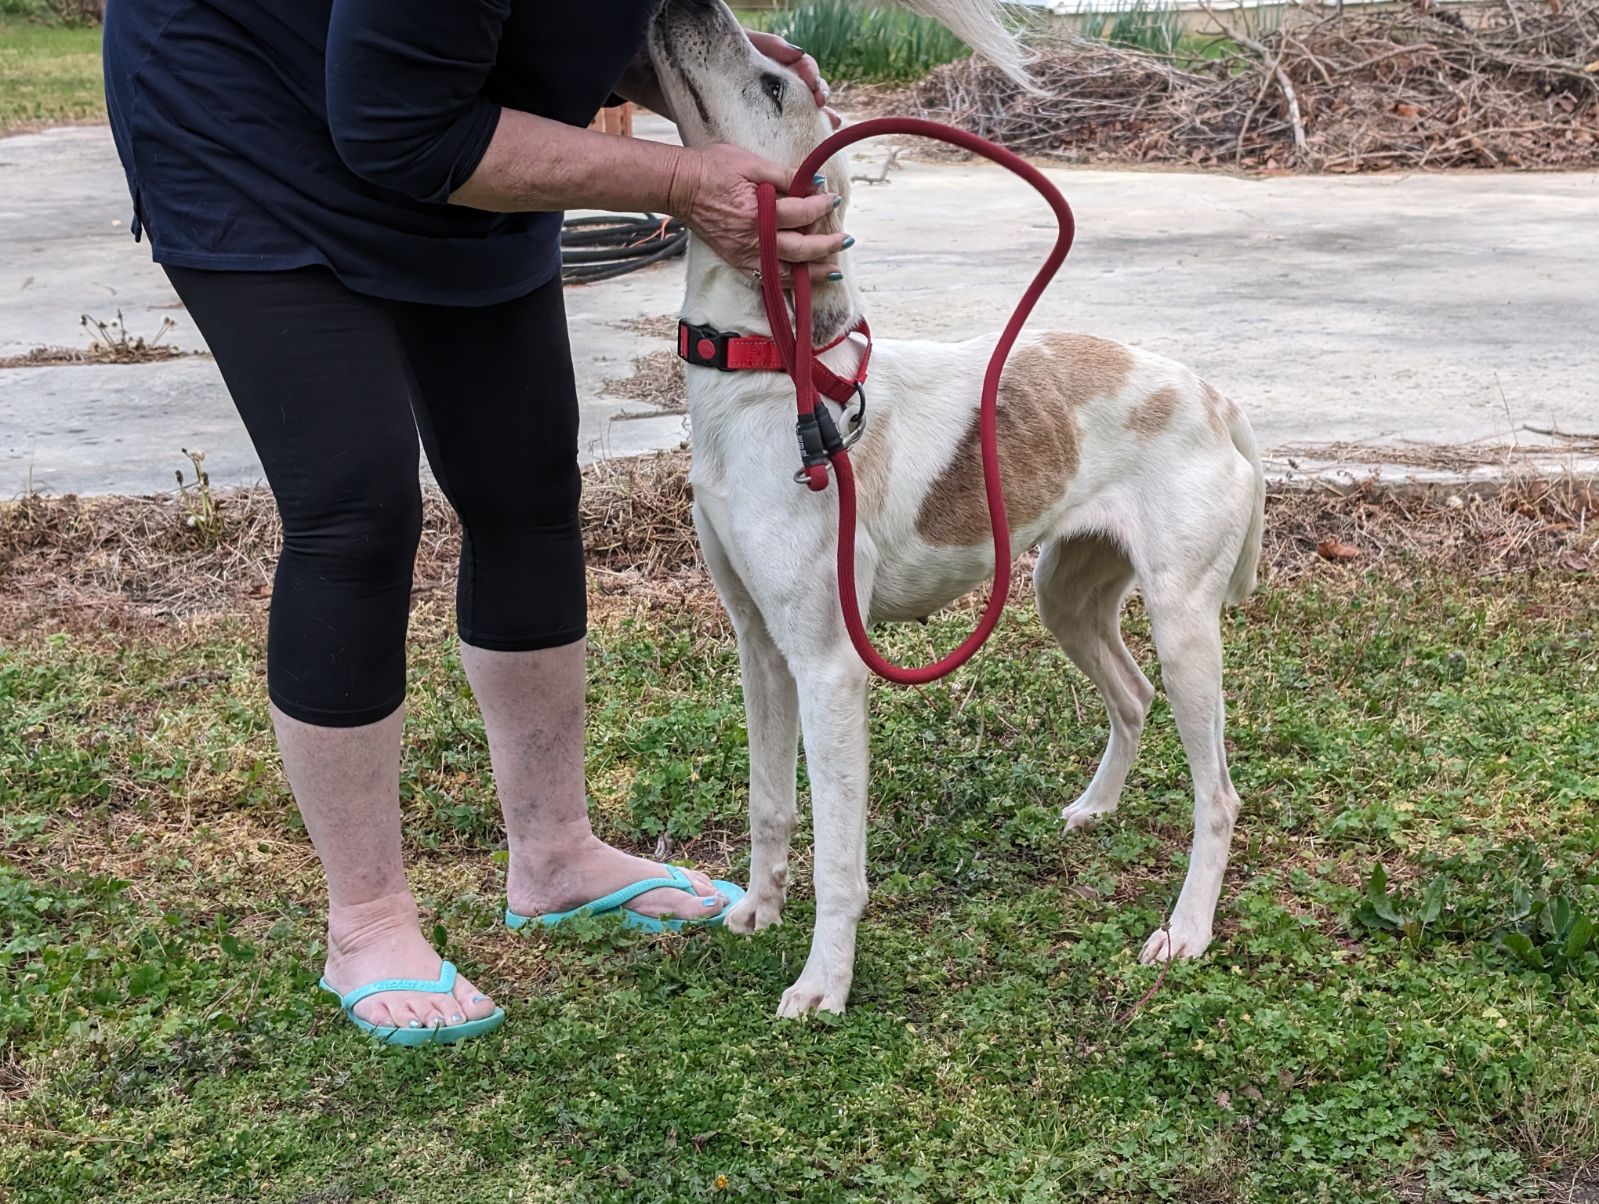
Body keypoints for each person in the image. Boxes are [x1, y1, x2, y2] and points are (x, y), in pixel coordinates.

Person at [101, 0, 847, 1045]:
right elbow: (404, 128)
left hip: (432, 104)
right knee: (356, 506)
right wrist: (681, 184)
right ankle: (366, 922)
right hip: (246, 110)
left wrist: (642, 60)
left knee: (525, 481)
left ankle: (554, 856)